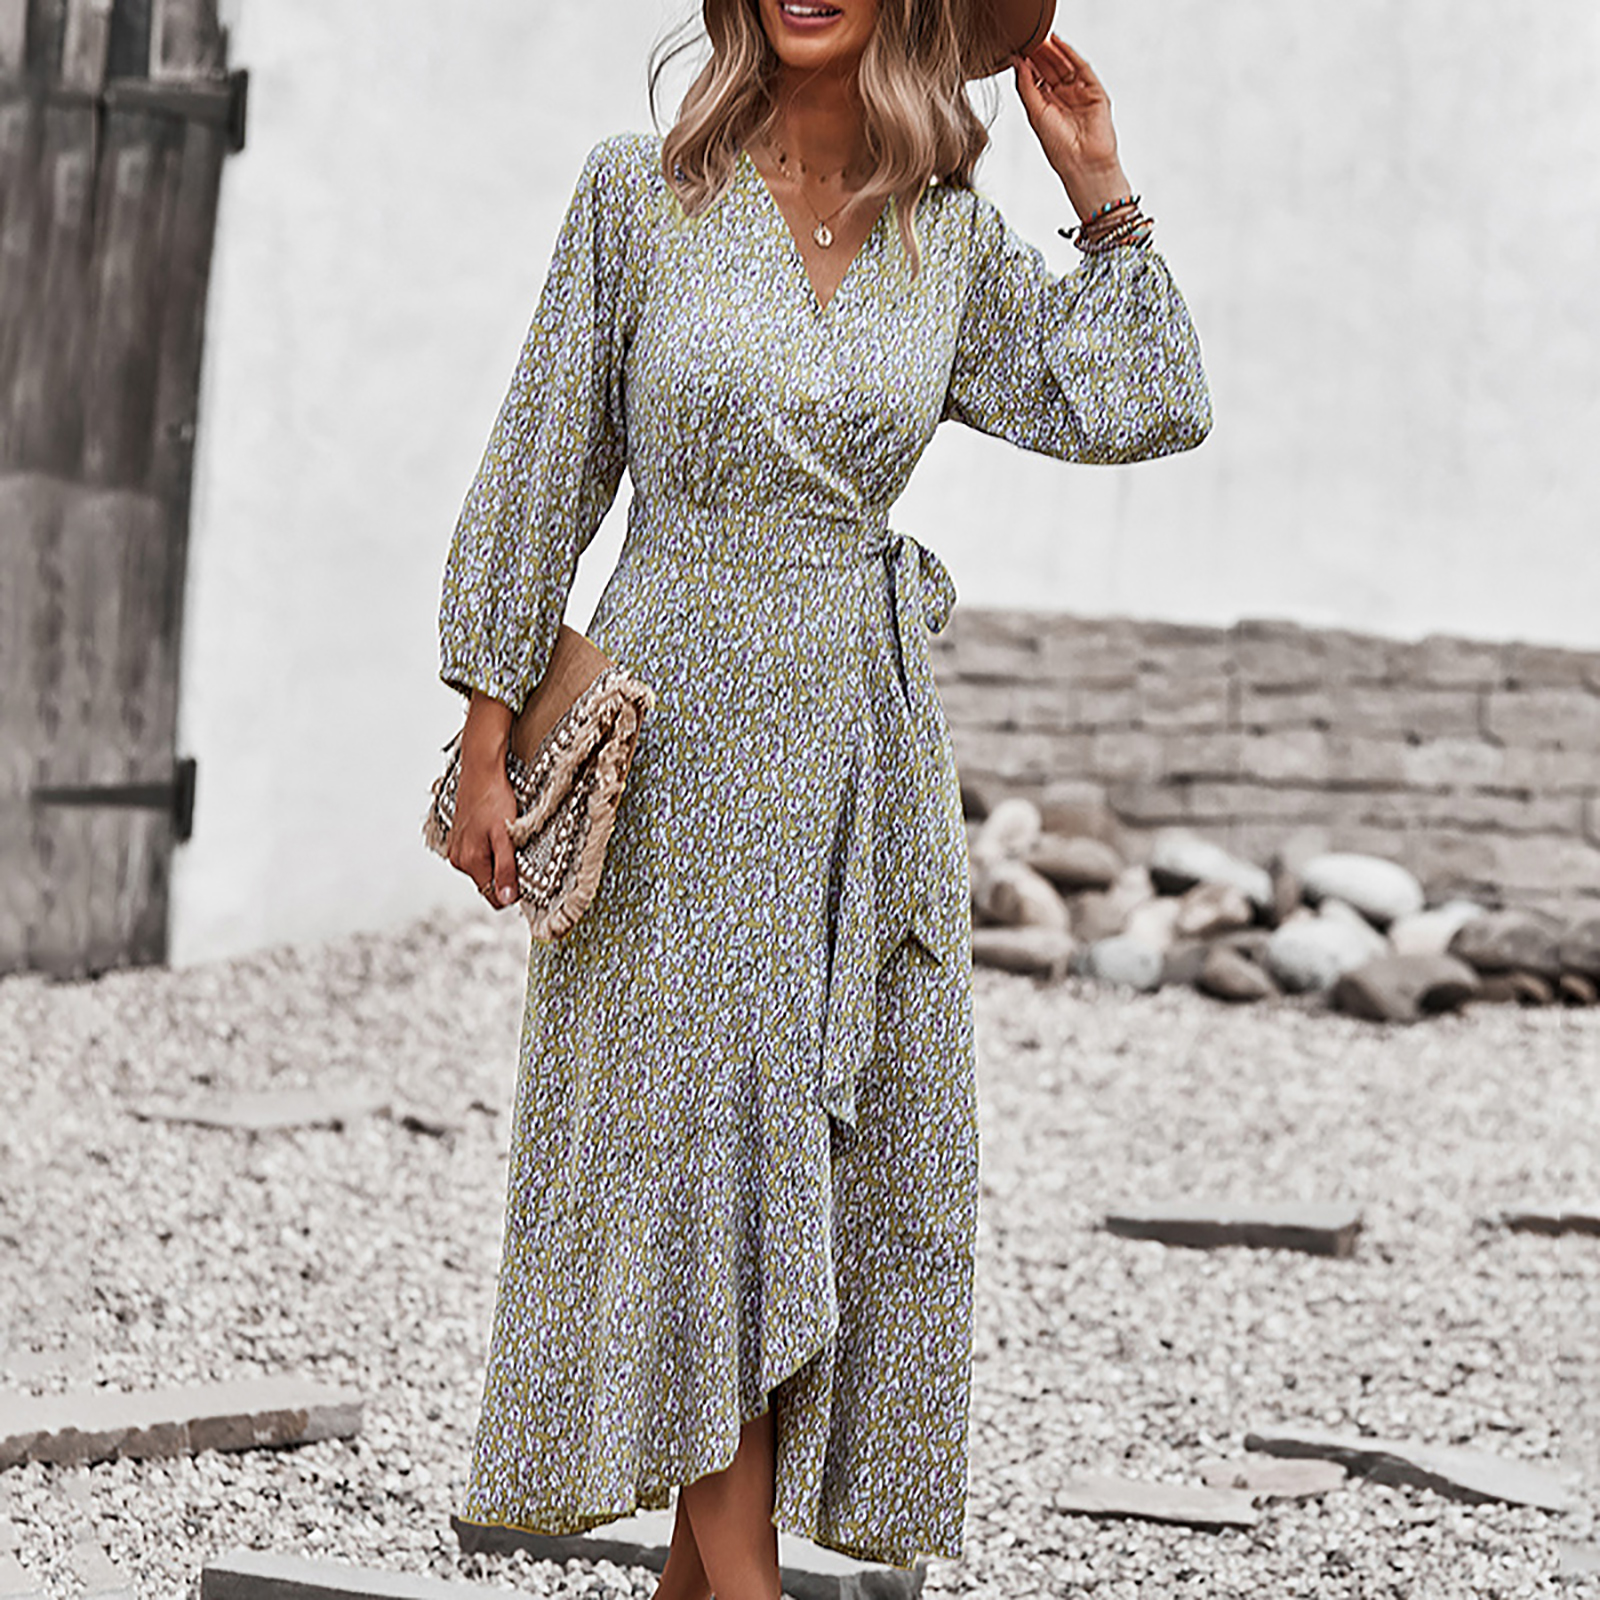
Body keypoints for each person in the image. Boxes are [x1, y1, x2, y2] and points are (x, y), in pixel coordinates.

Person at [438, 1, 1210, 1596]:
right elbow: (542, 460)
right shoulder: (637, 193)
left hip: (863, 756)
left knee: (822, 1172)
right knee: (696, 1163)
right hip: (670, 755)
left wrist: (1101, 190)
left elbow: (1143, 402)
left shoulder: (952, 242)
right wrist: (486, 732)